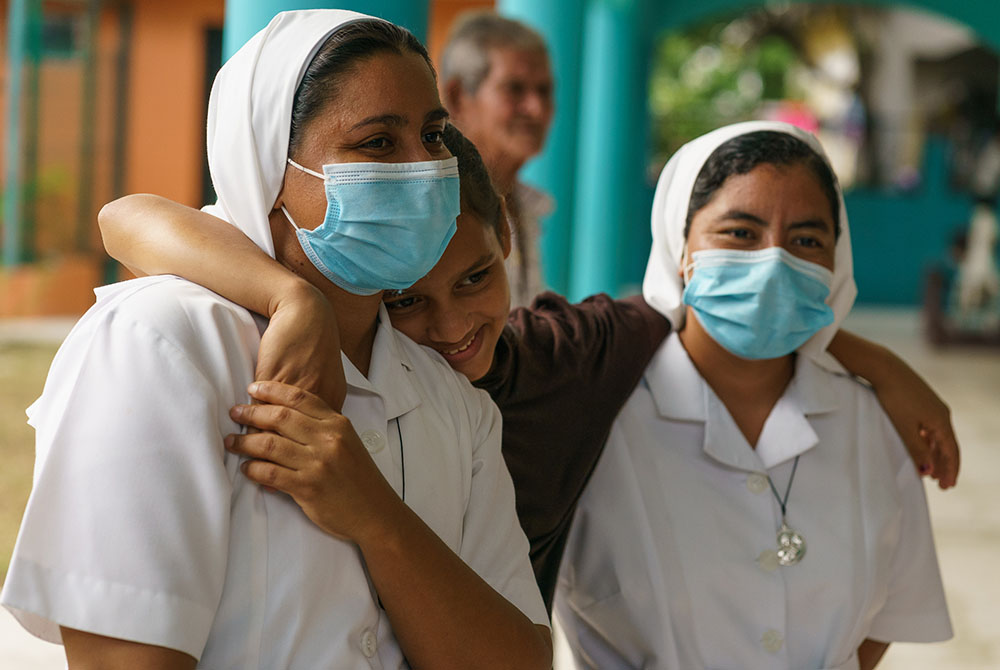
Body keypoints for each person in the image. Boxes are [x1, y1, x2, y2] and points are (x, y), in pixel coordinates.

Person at [99, 128, 959, 618]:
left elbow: (719, 310)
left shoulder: (570, 355)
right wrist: (297, 299)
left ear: (508, 244)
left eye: (474, 279)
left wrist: (870, 357)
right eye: (405, 301)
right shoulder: (324, 368)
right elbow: (125, 216)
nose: (447, 326)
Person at [1, 10, 553, 669]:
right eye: (377, 143)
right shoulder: (163, 344)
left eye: (433, 135)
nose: (425, 169)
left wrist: (377, 520)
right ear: (266, 162)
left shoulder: (453, 404)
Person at [552, 122, 953, 670]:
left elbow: (890, 614)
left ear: (836, 264)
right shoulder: (600, 418)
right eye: (740, 233)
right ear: (681, 247)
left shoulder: (873, 423)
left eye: (807, 240)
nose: (774, 263)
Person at [439, 11, 555, 306]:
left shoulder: (528, 207)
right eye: (514, 89)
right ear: (458, 98)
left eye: (545, 91)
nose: (536, 109)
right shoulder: (438, 210)